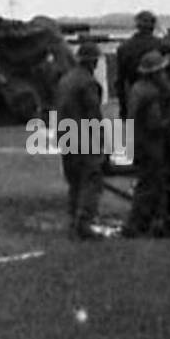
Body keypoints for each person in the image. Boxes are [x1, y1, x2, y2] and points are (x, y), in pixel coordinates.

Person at [55, 41, 106, 240]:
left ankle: (72, 220)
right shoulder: (88, 83)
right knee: (91, 180)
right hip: (84, 135)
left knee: (74, 181)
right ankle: (84, 223)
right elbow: (93, 113)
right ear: (93, 62)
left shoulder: (66, 79)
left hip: (66, 134)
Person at [122, 50, 170, 237]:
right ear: (156, 73)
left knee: (151, 183)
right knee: (150, 184)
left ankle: (156, 221)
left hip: (137, 142)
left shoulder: (137, 88)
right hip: (150, 145)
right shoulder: (151, 93)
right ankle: (134, 223)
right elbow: (154, 123)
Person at [114, 10, 162, 119]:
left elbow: (120, 81)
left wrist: (123, 109)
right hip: (156, 96)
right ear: (152, 26)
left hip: (134, 95)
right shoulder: (158, 44)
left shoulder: (124, 47)